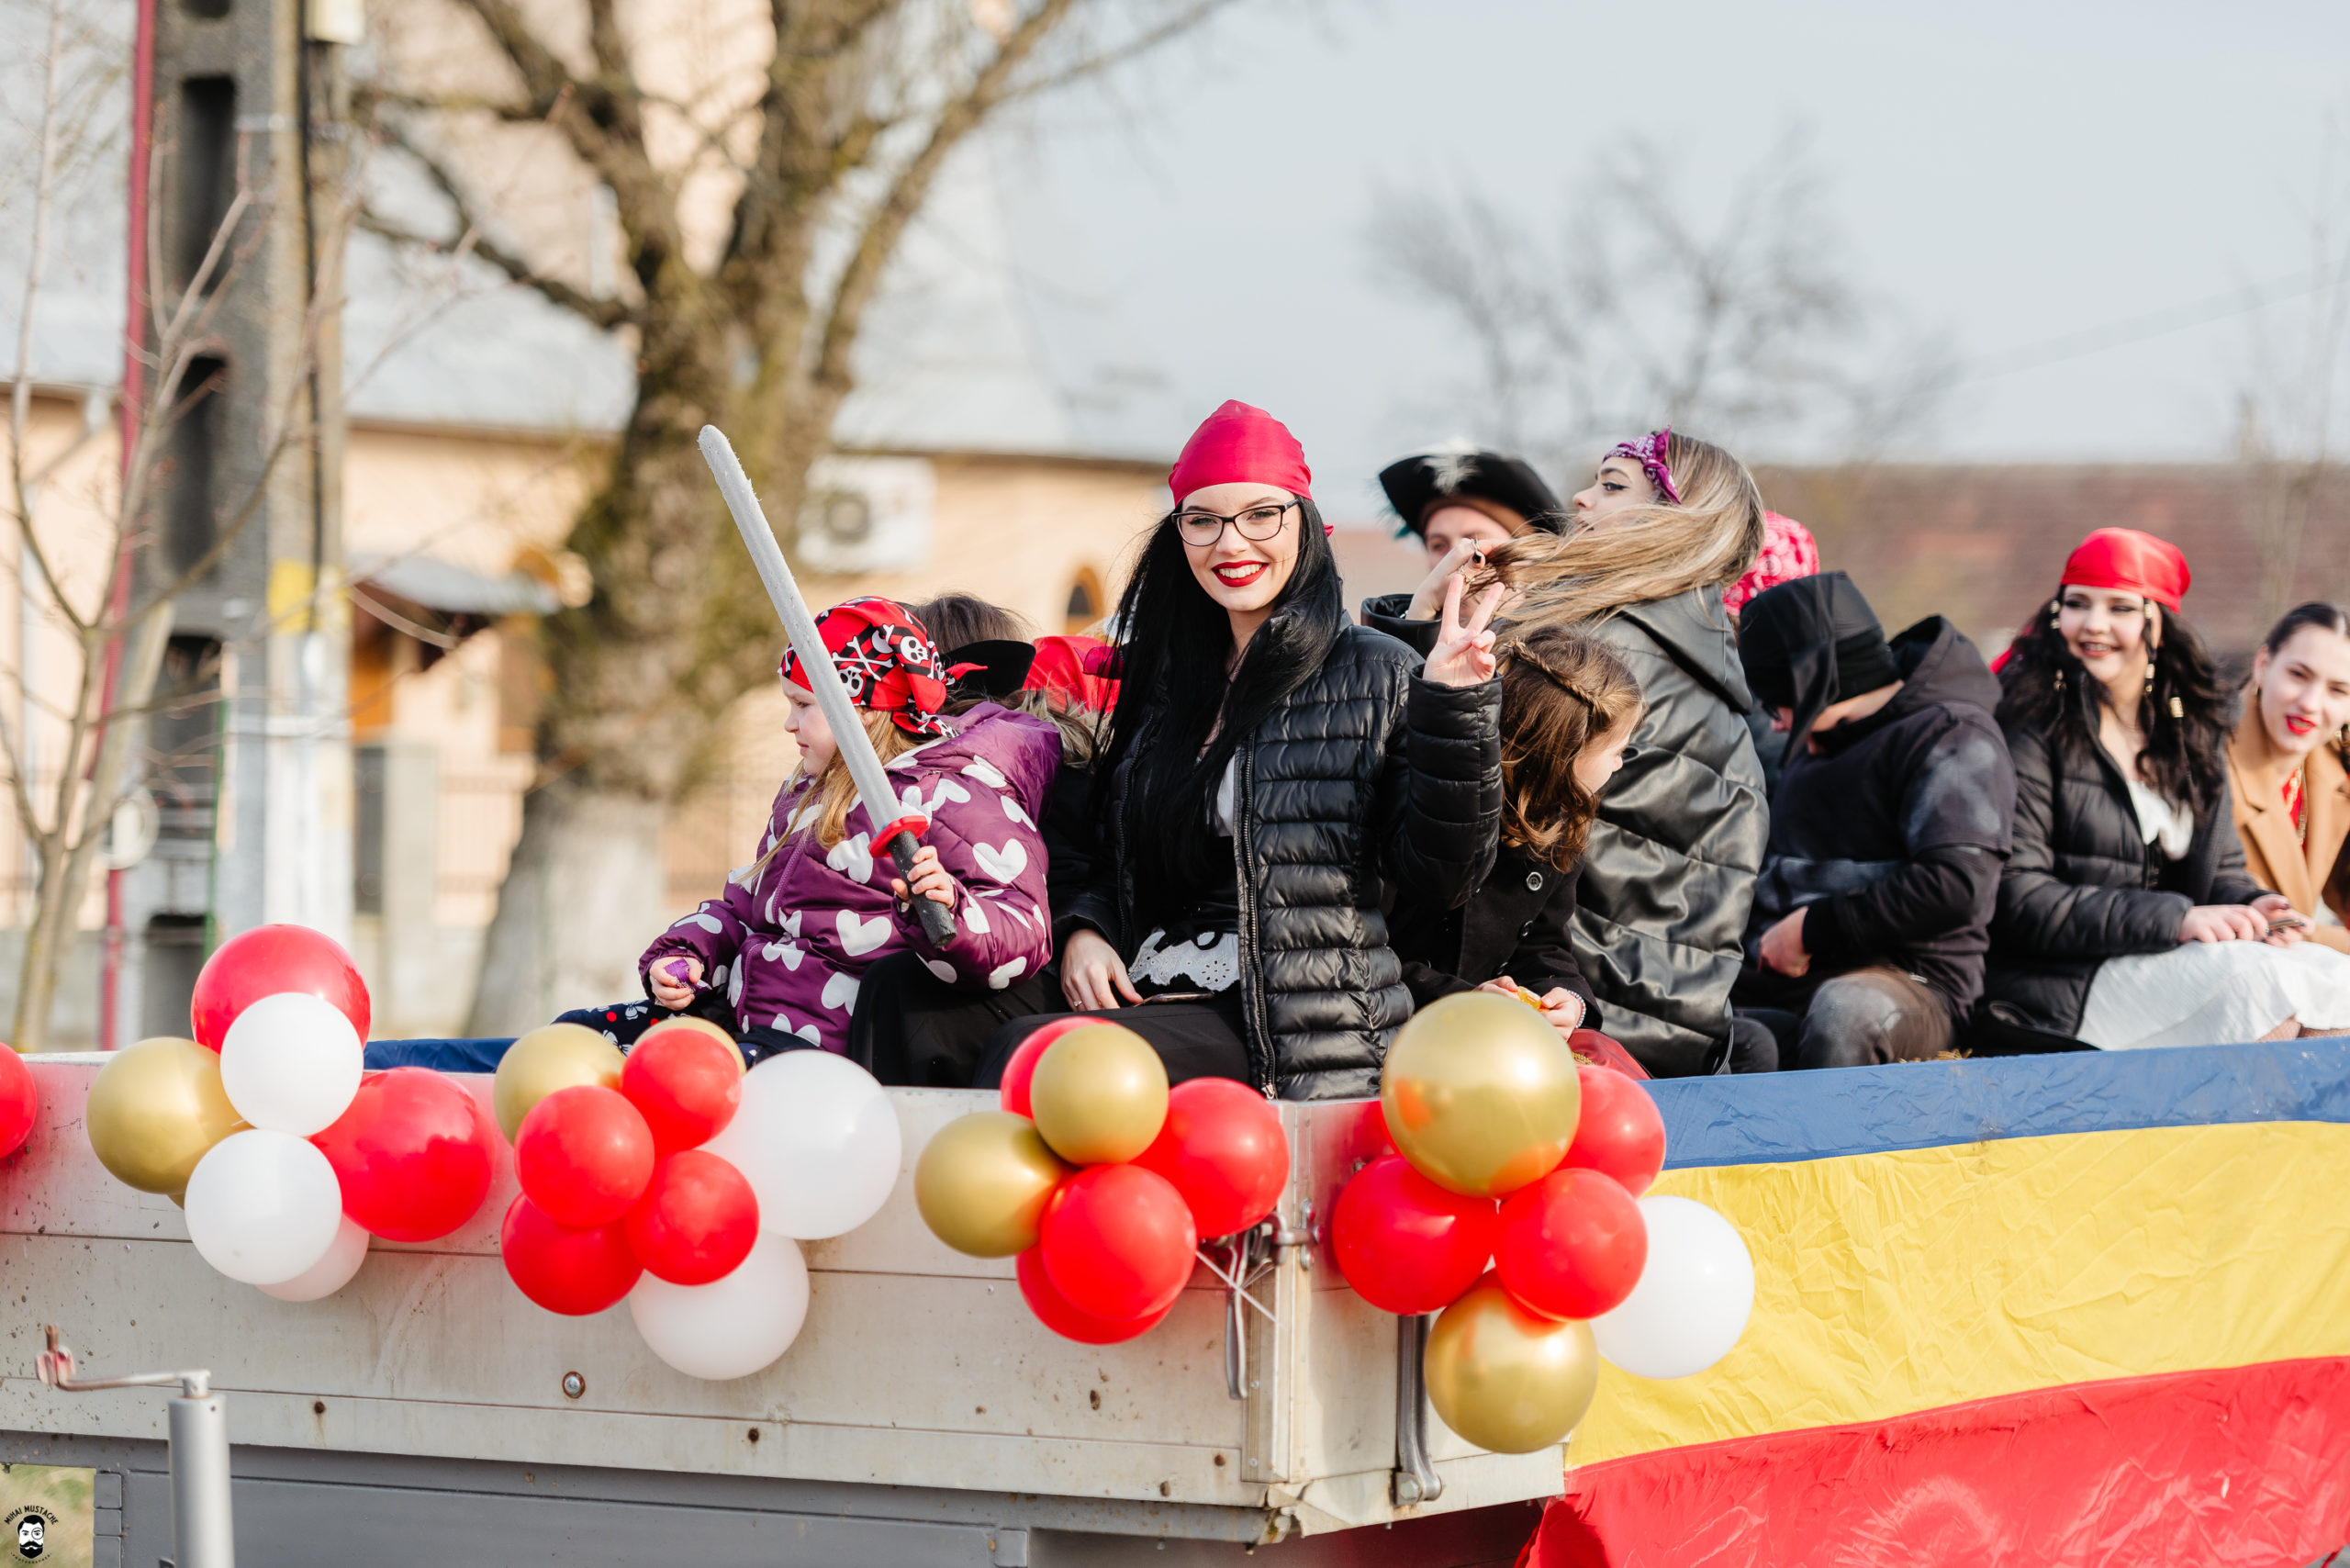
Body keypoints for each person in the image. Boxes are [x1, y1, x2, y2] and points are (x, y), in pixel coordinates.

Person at [977, 398, 1505, 1100]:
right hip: (1146, 977)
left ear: (1306, 525)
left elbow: (1445, 877)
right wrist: (1084, 929)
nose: (1231, 544)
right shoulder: (1166, 683)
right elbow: (1106, 853)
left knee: (1032, 1054)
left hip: (1289, 1016)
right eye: (1203, 520)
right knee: (913, 1001)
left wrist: (1455, 707)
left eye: (1261, 515)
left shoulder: (1376, 669)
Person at [1361, 427, 1770, 1076]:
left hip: (1564, 1012)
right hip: (1665, 1013)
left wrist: (1418, 621)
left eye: (1611, 485)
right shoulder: (1705, 656)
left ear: (1680, 521)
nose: (1580, 499)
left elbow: (1437, 774)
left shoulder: (1588, 650)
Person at [564, 597, 1060, 1063]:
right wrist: (690, 951)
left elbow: (1023, 926)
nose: (788, 723)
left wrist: (951, 909)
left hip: (819, 1042)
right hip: (738, 1013)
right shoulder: (808, 793)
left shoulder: (949, 795)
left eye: (804, 705)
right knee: (578, 1039)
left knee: (672, 1082)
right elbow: (748, 906)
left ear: (864, 710)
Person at [1986, 529, 2350, 1048]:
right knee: (2261, 990)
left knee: (2336, 980)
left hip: (2162, 956)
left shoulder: (2187, 728)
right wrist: (2178, 919)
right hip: (2060, 981)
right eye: (2078, 603)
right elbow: (2019, 898)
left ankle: (2312, 1108)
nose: (2094, 624)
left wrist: (2254, 902)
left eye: (2120, 608)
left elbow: (2220, 870)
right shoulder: (2032, 725)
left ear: (2157, 623)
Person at [1733, 572, 2016, 1069]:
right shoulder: (1816, 748)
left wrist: (1813, 929)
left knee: (1845, 1012)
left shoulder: (1949, 733)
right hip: (1780, 983)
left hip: (1910, 983)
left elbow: (1957, 883)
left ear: (1817, 680)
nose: (1774, 723)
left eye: (1778, 701)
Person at [1386, 626, 1655, 1075]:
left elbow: (1544, 943)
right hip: (1402, 1039)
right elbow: (1369, 950)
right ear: (1561, 753)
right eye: (1616, 750)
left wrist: (1565, 999)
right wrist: (1462, 1001)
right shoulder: (1432, 812)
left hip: (1489, 1045)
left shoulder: (1560, 822)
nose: (1619, 763)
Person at [2226, 602, 2350, 954]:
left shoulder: (2335, 770)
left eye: (2338, 690)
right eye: (2298, 675)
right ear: (2263, 666)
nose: (2310, 703)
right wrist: (2319, 937)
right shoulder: (2204, 757)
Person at [1378, 445, 1566, 619]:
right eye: (1438, 545)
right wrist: (1416, 626)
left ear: (1524, 554)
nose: (1455, 557)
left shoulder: (1571, 641)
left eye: (1476, 541)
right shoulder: (1394, 637)